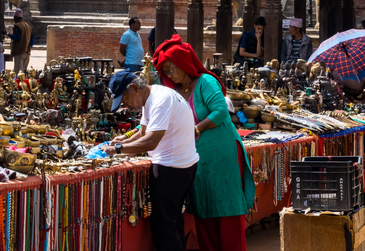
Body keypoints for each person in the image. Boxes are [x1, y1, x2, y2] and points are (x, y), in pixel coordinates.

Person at [153, 36, 255, 251]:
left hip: (222, 154)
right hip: (198, 159)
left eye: (172, 70)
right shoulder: (178, 92)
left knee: (226, 210)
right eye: (166, 72)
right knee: (205, 209)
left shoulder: (204, 82)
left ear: (182, 63)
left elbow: (220, 111)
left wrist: (196, 129)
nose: (170, 76)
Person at [106, 70, 198, 251]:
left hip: (172, 168)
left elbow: (150, 141)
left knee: (164, 227)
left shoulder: (160, 101)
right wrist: (123, 140)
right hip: (183, 165)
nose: (126, 105)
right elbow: (143, 132)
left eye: (125, 100)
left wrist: (118, 149)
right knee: (173, 221)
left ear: (134, 88)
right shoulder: (154, 94)